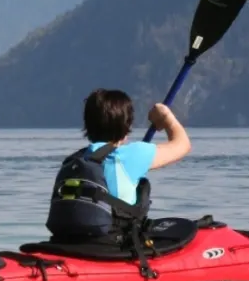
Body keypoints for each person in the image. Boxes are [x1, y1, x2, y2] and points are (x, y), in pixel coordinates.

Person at [46, 88, 192, 244]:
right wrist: (166, 117)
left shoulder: (77, 159)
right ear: (126, 125)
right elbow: (182, 145)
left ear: (88, 125)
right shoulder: (131, 154)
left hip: (66, 241)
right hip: (110, 243)